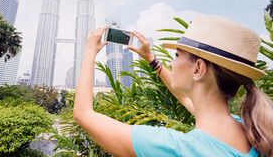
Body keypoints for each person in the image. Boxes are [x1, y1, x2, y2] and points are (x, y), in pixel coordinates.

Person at [73, 15, 273, 157]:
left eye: (177, 56)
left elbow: (84, 115)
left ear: (198, 68)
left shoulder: (178, 148)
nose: (171, 63)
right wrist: (151, 59)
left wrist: (90, 51)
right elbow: (186, 98)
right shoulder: (253, 131)